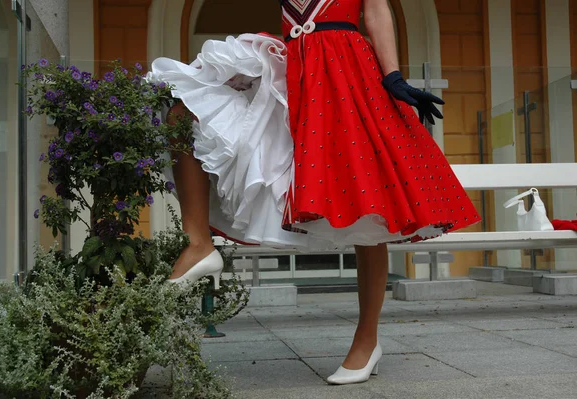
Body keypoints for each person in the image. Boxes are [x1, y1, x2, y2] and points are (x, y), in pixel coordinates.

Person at [146, 0, 480, 385]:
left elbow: (374, 11)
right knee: (184, 108)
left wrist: (393, 75)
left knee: (371, 200)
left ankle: (367, 340)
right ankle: (198, 243)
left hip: (348, 71)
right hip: (293, 69)